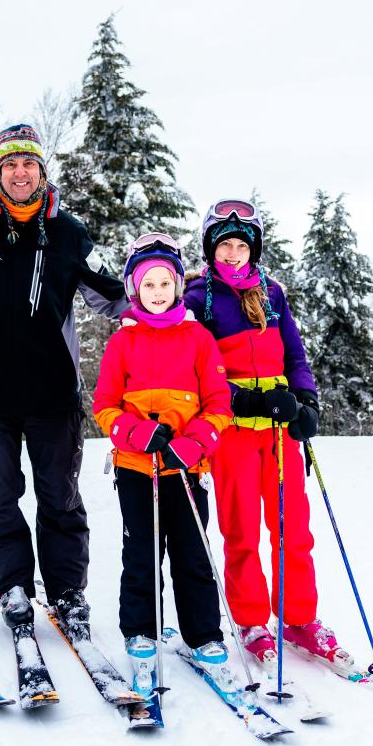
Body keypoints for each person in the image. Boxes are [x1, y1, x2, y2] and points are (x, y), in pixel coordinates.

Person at [0, 124, 128, 636]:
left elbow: (117, 294)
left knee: (60, 499)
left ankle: (69, 594)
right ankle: (13, 589)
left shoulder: (71, 233)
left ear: (42, 171)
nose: (19, 172)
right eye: (10, 164)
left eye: (28, 163)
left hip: (54, 395)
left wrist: (173, 301)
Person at [182, 200, 353, 671]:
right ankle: (252, 620)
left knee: (292, 527)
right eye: (225, 246)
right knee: (240, 530)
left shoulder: (272, 293)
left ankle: (298, 617)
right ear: (211, 250)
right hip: (234, 432)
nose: (233, 254)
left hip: (281, 432)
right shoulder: (200, 298)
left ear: (253, 250)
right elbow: (198, 371)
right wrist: (246, 401)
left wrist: (307, 400)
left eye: (241, 246)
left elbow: (294, 354)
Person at [92, 233, 235, 695]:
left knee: (192, 555)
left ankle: (204, 635)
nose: (157, 292)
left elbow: (219, 404)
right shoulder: (123, 342)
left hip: (186, 469)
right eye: (148, 284)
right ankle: (141, 629)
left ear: (177, 286)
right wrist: (137, 433)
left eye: (165, 283)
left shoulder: (198, 338)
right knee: (141, 553)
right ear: (136, 289)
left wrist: (193, 444)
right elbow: (104, 407)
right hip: (137, 469)